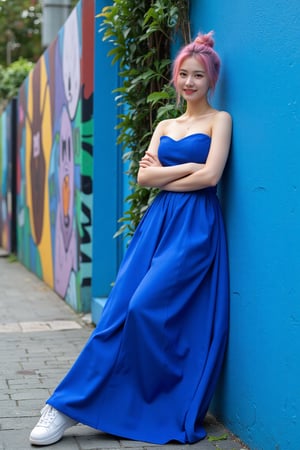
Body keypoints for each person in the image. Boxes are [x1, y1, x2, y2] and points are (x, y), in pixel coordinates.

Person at [29, 31, 232, 446]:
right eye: (183, 74)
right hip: (157, 224)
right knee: (119, 310)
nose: (190, 82)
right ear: (175, 79)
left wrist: (167, 174)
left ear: (211, 80)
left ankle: (134, 403)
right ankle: (65, 406)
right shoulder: (165, 123)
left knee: (143, 308)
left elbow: (211, 176)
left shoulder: (219, 121)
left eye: (198, 75)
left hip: (195, 227)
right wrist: (184, 170)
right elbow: (143, 177)